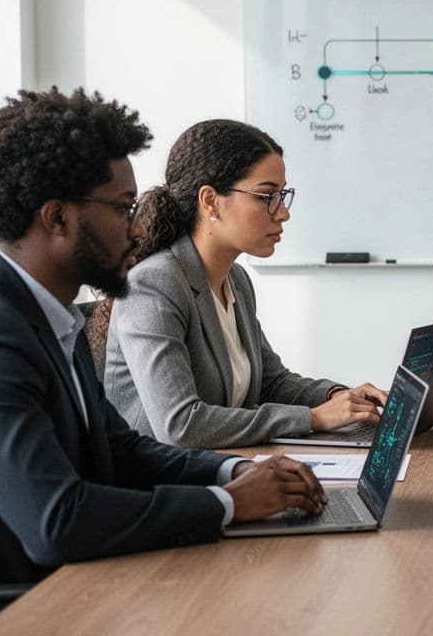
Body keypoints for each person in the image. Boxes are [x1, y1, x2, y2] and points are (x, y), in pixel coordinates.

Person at [0, 89, 328, 636]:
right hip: (8, 613)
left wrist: (234, 470)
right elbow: (58, 520)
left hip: (80, 588)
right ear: (56, 217)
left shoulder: (50, 318)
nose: (135, 229)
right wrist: (226, 504)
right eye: (122, 209)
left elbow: (119, 449)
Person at [101, 120, 387, 448]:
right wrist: (314, 418)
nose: (283, 214)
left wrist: (342, 398)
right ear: (210, 201)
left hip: (226, 466)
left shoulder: (235, 279)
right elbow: (180, 425)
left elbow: (272, 382)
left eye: (283, 196)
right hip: (160, 485)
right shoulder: (154, 285)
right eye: (267, 196)